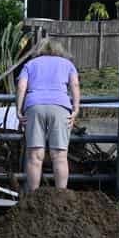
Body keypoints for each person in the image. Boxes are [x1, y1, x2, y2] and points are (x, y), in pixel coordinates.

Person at [15, 40, 80, 190]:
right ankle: (60, 196)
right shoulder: (67, 64)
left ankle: (33, 197)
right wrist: (75, 109)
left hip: (34, 106)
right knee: (60, 156)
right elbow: (75, 85)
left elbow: (21, 86)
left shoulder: (30, 64)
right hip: (60, 107)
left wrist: (19, 109)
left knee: (35, 156)